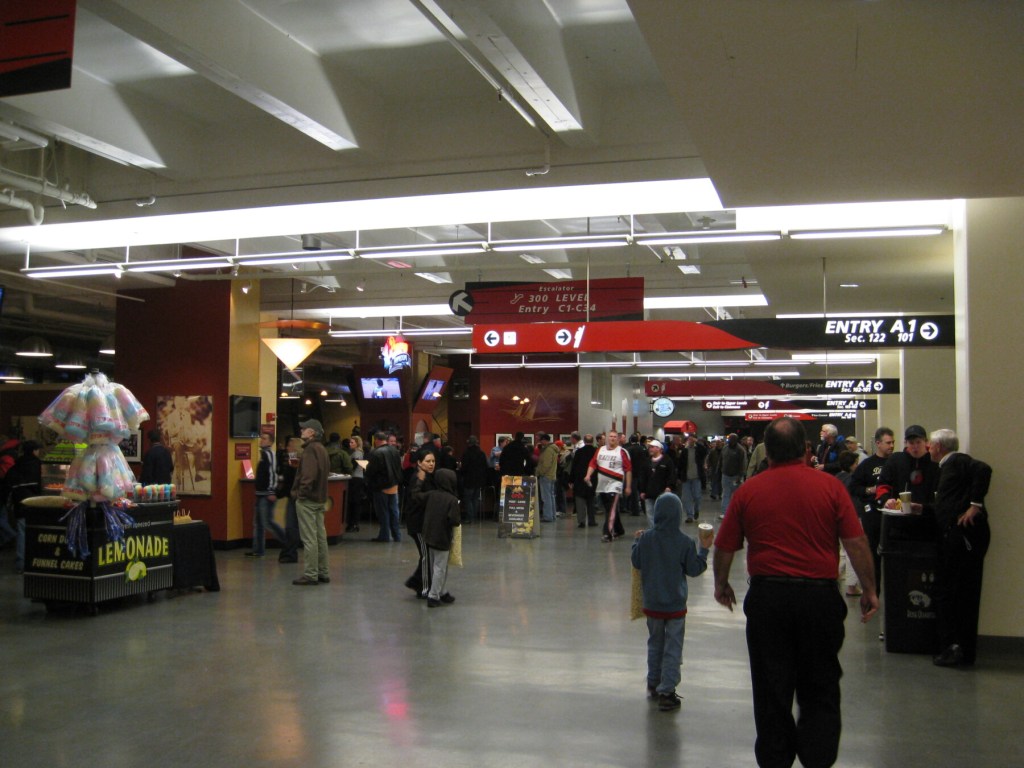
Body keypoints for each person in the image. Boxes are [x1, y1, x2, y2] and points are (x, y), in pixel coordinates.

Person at [713, 416, 878, 768]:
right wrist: (870, 589)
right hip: (819, 600)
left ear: (766, 452)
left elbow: (725, 545)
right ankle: (818, 758)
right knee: (820, 685)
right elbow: (856, 542)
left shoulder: (749, 491)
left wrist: (721, 584)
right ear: (805, 450)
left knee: (772, 687)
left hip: (768, 600)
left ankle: (776, 759)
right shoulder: (830, 487)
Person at [632, 493, 710, 711]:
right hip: (675, 606)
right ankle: (667, 691)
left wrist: (636, 541)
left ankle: (653, 682)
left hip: (652, 604)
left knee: (655, 643)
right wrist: (704, 550)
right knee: (673, 647)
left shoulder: (646, 538)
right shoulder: (685, 542)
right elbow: (694, 569)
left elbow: (636, 561)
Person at [927, 429, 992, 668]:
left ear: (940, 446)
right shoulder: (946, 467)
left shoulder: (957, 461)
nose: (928, 449)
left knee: (958, 593)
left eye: (930, 445)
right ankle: (953, 646)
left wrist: (975, 505)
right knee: (950, 590)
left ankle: (958, 649)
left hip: (963, 539)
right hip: (952, 537)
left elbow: (984, 470)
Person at [848, 427, 896, 592]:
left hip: (894, 514)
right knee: (873, 554)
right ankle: (874, 591)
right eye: (888, 443)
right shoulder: (868, 464)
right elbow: (853, 487)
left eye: (893, 442)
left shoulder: (896, 462)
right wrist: (871, 490)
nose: (891, 446)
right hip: (873, 514)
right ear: (878, 443)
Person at [290, 419, 331, 586]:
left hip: (308, 500)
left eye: (305, 428)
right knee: (321, 537)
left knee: (309, 538)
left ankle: (311, 573)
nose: (301, 430)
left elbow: (308, 476)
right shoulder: (322, 449)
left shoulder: (309, 450)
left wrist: (301, 494)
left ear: (312, 432)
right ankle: (323, 571)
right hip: (320, 499)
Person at [419, 467, 462, 607]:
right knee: (440, 567)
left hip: (429, 534)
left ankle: (441, 591)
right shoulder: (452, 500)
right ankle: (434, 595)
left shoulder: (431, 494)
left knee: (434, 566)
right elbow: (455, 521)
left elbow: (417, 498)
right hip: (443, 537)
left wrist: (419, 481)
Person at [584, 430, 632, 543]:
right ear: (607, 438)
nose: (612, 438)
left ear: (618, 439)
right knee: (609, 508)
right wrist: (588, 475)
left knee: (611, 508)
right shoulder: (600, 450)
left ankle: (608, 533)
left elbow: (628, 470)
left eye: (615, 437)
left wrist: (628, 486)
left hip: (615, 484)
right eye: (610, 436)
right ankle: (619, 529)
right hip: (602, 485)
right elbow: (593, 463)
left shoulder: (622, 452)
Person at [245, 432, 287, 558]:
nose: (261, 440)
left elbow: (272, 474)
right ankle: (258, 550)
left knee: (268, 522)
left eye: (264, 438)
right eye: (261, 438)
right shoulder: (263, 455)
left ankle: (288, 542)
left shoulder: (270, 455)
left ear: (270, 442)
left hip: (266, 495)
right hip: (260, 494)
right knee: (258, 523)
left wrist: (271, 491)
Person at [5, 440, 42, 575]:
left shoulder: (15, 467)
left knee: (22, 533)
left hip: (20, 506)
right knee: (38, 534)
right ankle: (37, 561)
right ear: (34, 451)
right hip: (38, 506)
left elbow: (7, 486)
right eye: (38, 450)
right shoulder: (39, 466)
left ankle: (21, 564)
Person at [404, 451, 437, 597]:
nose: (431, 464)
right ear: (419, 462)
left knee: (427, 555)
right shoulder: (418, 478)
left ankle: (415, 582)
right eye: (428, 461)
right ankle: (424, 588)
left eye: (433, 461)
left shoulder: (428, 477)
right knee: (426, 556)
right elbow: (416, 498)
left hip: (425, 523)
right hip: (418, 525)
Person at [366, 430, 404, 542]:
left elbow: (371, 471)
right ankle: (397, 535)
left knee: (383, 512)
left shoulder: (376, 453)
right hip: (394, 485)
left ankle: (384, 535)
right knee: (394, 511)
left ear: (376, 440)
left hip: (380, 486)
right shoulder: (395, 450)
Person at [275, 436, 303, 563]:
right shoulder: (303, 460)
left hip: (295, 497)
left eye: (289, 445)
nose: (287, 448)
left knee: (291, 526)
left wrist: (278, 493)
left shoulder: (293, 461)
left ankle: (289, 553)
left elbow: (289, 481)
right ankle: (289, 552)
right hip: (301, 497)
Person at [639, 439, 676, 529]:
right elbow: (643, 477)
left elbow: (671, 475)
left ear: (659, 449)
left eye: (652, 447)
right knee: (650, 515)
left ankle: (663, 531)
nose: (650, 449)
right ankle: (653, 532)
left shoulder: (667, 461)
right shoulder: (647, 462)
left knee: (662, 514)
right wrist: (642, 490)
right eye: (649, 447)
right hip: (649, 493)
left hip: (662, 493)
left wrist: (669, 487)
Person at [677, 433, 707, 523]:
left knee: (697, 496)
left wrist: (697, 443)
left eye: (692, 439)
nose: (690, 441)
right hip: (686, 478)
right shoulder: (684, 451)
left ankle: (696, 509)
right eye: (689, 439)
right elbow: (680, 464)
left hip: (697, 477)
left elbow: (705, 451)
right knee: (686, 498)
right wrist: (679, 476)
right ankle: (689, 515)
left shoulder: (698, 450)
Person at [569, 433, 597, 528]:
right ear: (592, 441)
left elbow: (574, 467)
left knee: (580, 501)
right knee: (591, 500)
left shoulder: (579, 452)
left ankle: (581, 521)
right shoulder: (596, 451)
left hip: (579, 480)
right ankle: (591, 520)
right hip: (592, 479)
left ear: (584, 441)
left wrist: (571, 480)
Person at [458, 436, 489, 523]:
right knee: (475, 499)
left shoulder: (466, 453)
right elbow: (486, 467)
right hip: (479, 480)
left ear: (469, 443)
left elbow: (464, 468)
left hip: (469, 479)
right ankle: (474, 517)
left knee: (468, 499)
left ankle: (469, 518)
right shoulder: (481, 453)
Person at [718, 433, 745, 519]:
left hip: (735, 476)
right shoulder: (725, 448)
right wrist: (719, 470)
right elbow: (721, 459)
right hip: (725, 475)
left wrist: (740, 476)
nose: (730, 441)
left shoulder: (740, 450)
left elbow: (742, 464)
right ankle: (724, 513)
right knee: (726, 494)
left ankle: (736, 513)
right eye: (729, 439)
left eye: (732, 439)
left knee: (736, 495)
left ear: (736, 440)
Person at [535, 433, 559, 522]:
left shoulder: (548, 450)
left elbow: (545, 464)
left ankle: (548, 516)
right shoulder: (553, 449)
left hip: (546, 476)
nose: (540, 442)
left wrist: (539, 472)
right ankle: (552, 515)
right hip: (552, 475)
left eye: (541, 440)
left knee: (546, 497)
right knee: (551, 496)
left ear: (544, 440)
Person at [346, 435, 366, 532]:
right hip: (359, 478)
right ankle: (354, 523)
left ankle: (353, 523)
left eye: (352, 442)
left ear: (357, 443)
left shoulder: (356, 454)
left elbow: (352, 467)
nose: (350, 444)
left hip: (355, 479)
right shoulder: (360, 453)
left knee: (354, 502)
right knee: (356, 502)